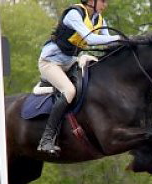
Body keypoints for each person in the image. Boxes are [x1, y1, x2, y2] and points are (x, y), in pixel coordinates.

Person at [37, 0, 121, 155]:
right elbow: (91, 39)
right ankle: (46, 139)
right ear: (91, 1)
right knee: (69, 91)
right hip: (50, 62)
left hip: (70, 62)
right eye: (103, 1)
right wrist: (119, 38)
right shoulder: (74, 14)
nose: (105, 5)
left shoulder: (99, 19)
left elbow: (109, 43)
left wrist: (132, 41)